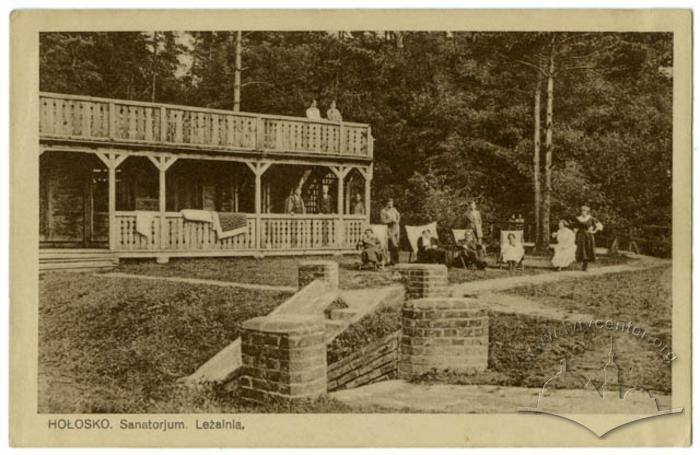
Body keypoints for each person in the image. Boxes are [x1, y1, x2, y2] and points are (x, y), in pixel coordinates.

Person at [572, 205, 603, 271]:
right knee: (581, 249)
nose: (583, 212)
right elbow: (576, 228)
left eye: (585, 211)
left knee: (588, 249)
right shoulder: (578, 218)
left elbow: (599, 226)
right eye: (582, 211)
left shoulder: (591, 218)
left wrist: (594, 231)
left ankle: (585, 265)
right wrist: (574, 234)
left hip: (588, 236)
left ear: (587, 212)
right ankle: (583, 263)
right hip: (580, 235)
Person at [380, 198, 401, 265]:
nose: (390, 204)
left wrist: (397, 221)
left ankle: (396, 260)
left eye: (391, 203)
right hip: (388, 228)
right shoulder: (383, 211)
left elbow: (398, 215)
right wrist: (390, 221)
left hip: (396, 228)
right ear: (386, 203)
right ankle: (390, 260)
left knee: (396, 243)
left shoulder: (394, 209)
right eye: (389, 203)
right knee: (390, 244)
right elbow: (383, 220)